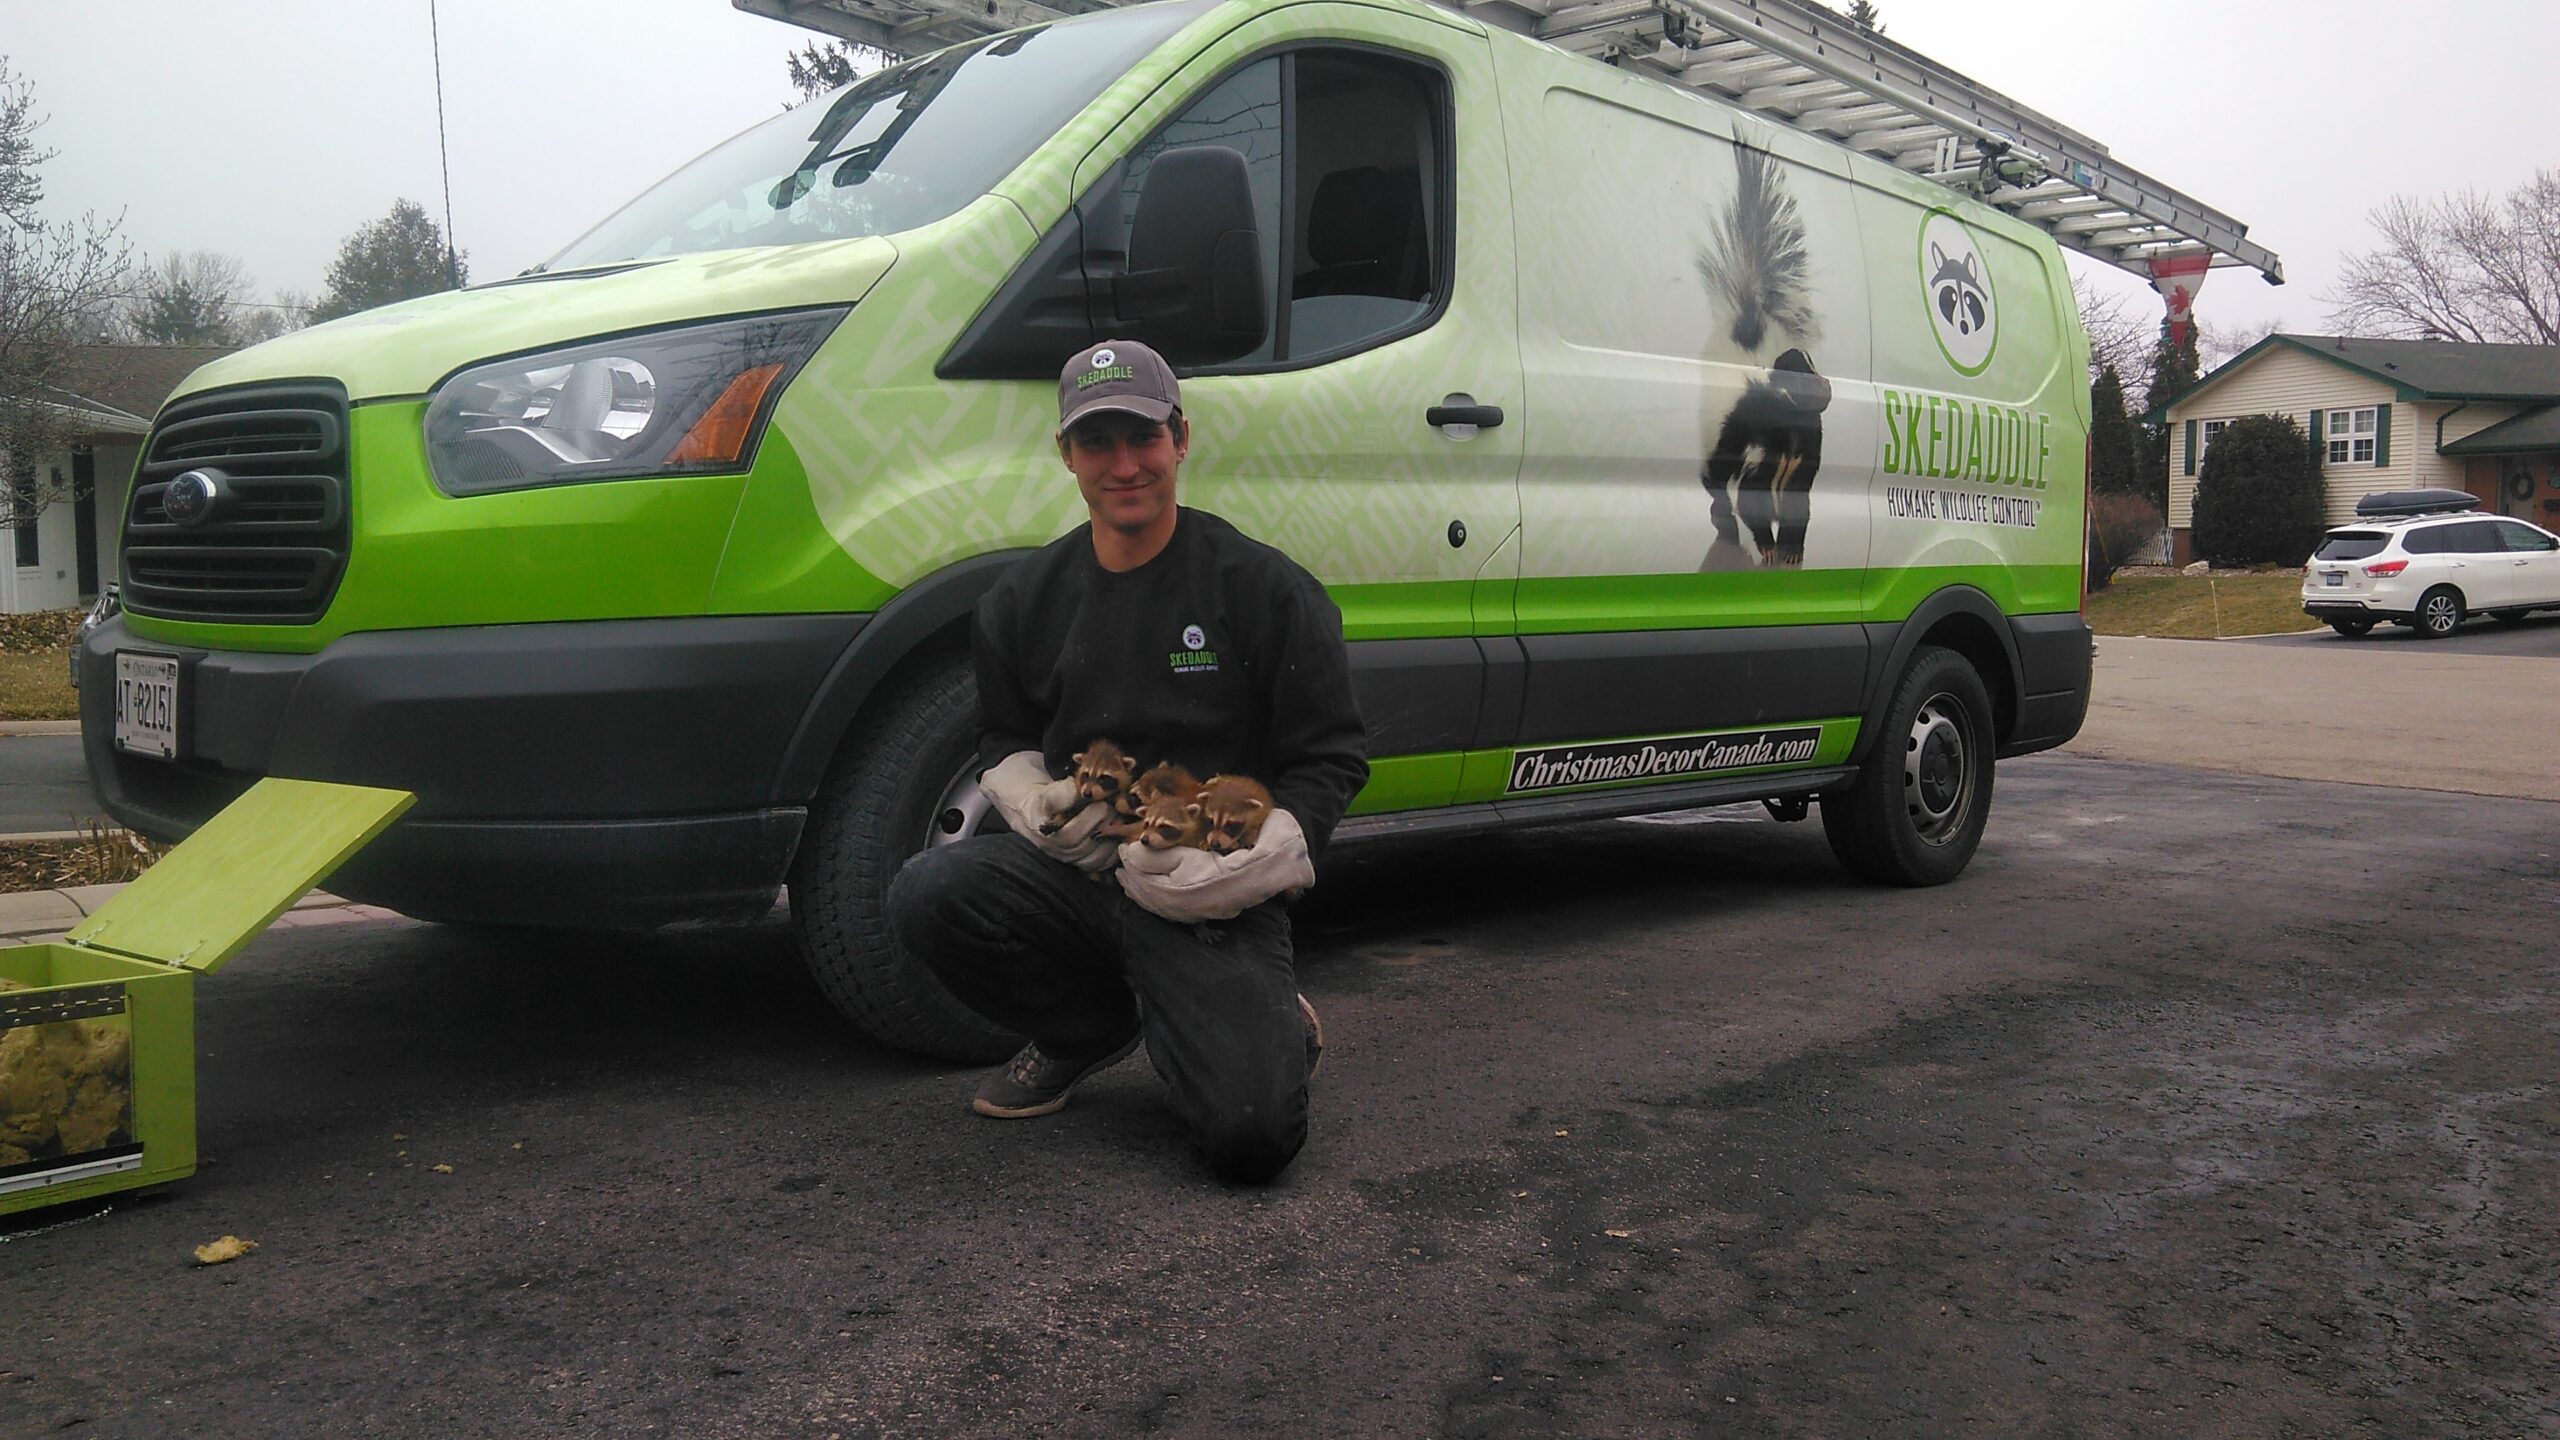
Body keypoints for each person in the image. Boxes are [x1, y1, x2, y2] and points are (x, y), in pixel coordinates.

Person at [886, 338, 1368, 1185]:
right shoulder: (1021, 603)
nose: (1124, 465)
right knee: (928, 891)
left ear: (1181, 438)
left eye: (1142, 438)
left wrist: (1257, 861)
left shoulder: (1262, 588)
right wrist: (1036, 801)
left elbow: (1330, 756)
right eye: (1097, 442)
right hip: (1086, 872)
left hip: (1205, 886)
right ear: (1065, 454)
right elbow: (1001, 739)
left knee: (1251, 1139)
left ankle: (1255, 1027)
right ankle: (1084, 1028)